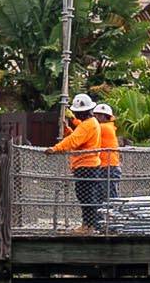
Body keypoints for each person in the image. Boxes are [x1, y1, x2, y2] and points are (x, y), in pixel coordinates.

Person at [45, 92, 106, 228]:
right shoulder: (91, 123)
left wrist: (56, 148)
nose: (76, 115)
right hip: (89, 165)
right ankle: (90, 225)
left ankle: (89, 226)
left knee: (86, 197)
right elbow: (79, 139)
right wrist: (68, 130)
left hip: (86, 166)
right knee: (88, 196)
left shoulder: (87, 125)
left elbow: (73, 141)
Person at [92, 100, 122, 203]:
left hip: (109, 167)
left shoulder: (104, 127)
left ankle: (114, 217)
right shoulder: (105, 127)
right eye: (95, 115)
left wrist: (74, 119)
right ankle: (105, 218)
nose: (96, 118)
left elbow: (88, 130)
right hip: (105, 166)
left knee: (110, 197)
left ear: (106, 117)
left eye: (99, 116)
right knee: (101, 196)